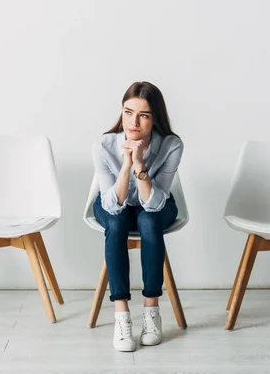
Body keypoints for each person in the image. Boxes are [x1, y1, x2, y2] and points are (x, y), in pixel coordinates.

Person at [92, 81, 183, 352]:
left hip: (155, 203)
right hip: (113, 203)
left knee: (149, 220)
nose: (133, 122)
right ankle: (122, 317)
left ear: (155, 119)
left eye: (143, 115)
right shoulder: (104, 145)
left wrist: (141, 165)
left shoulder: (171, 145)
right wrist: (126, 165)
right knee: (117, 222)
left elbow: (155, 203)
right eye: (128, 112)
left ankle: (151, 312)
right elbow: (112, 205)